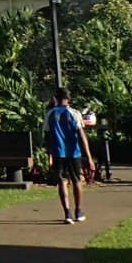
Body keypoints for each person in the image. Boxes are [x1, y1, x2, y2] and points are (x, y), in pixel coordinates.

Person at [43, 88, 96, 224]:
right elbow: (82, 136)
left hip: (57, 152)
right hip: (74, 152)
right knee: (77, 180)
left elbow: (47, 135)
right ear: (69, 98)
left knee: (62, 181)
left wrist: (49, 153)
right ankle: (79, 211)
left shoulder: (50, 114)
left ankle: (67, 212)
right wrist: (89, 157)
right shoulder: (75, 113)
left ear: (55, 98)